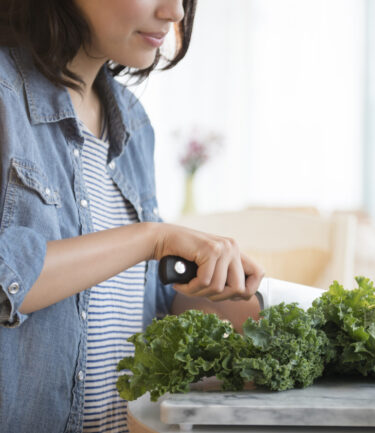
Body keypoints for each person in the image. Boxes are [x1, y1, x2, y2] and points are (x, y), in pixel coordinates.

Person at [0, 1, 265, 432]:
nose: (175, 12)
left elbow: (145, 302)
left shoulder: (135, 125)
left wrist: (238, 300)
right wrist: (150, 239)